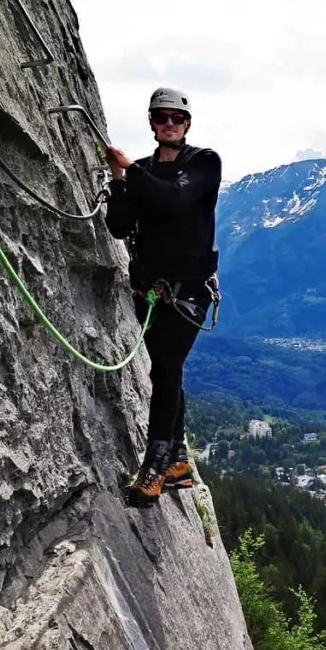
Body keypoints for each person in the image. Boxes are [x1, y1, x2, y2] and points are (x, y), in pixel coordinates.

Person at [104, 87, 221, 506]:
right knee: (166, 371)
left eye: (175, 117)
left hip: (188, 291)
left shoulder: (204, 163)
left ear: (187, 123)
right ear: (151, 123)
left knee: (167, 368)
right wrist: (118, 181)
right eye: (161, 117)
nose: (168, 123)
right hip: (150, 289)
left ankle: (154, 467)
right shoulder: (142, 173)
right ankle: (178, 460)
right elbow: (119, 227)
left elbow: (175, 199)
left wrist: (130, 171)